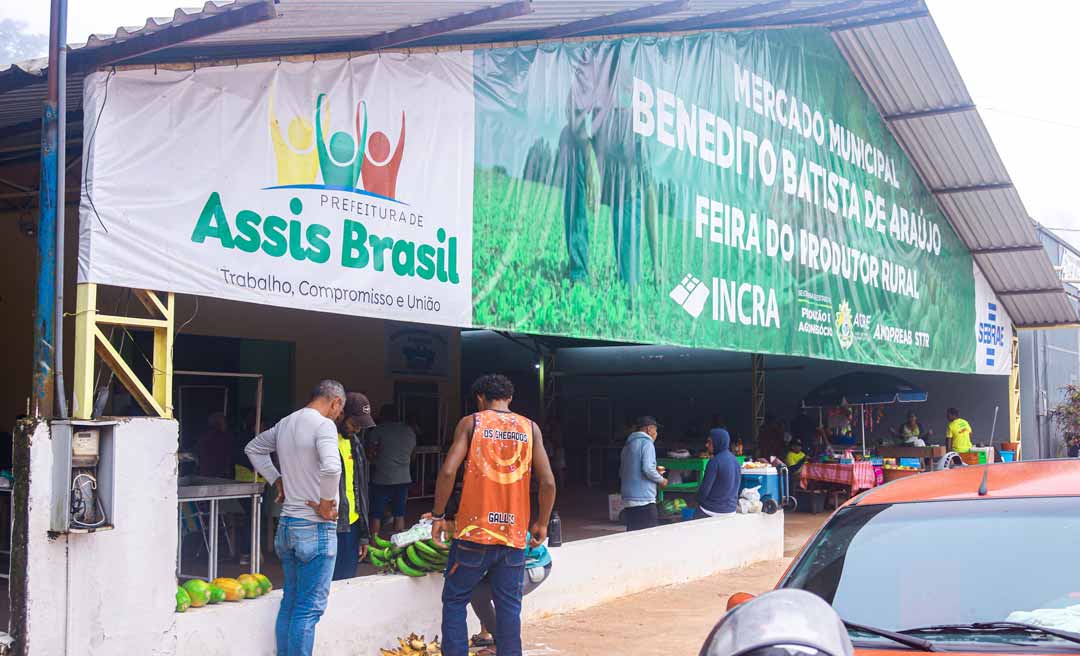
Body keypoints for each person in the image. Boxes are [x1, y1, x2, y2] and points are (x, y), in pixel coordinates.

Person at [430, 374, 557, 656]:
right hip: (512, 536)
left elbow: (449, 471)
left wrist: (438, 514)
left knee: (455, 600)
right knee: (509, 607)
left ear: (479, 398)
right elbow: (547, 482)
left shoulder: (472, 422)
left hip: (473, 535)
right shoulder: (530, 427)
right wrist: (542, 522)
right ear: (509, 398)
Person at [244, 380, 345, 656]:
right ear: (335, 401)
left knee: (291, 602)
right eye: (340, 409)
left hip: (287, 526)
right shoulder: (324, 425)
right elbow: (332, 467)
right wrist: (326, 504)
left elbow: (253, 448)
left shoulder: (285, 423)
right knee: (308, 609)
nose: (338, 415)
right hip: (314, 527)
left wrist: (277, 480)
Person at [469, 531, 553, 651]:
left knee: (505, 598)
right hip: (503, 565)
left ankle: (506, 646)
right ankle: (491, 635)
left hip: (533, 565)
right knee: (477, 594)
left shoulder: (505, 528)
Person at [332, 393, 376, 581]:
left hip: (352, 523)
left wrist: (364, 535)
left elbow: (361, 488)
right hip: (330, 524)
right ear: (341, 414)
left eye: (361, 425)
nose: (357, 429)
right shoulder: (326, 439)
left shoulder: (355, 442)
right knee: (327, 583)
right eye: (354, 423)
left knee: (347, 581)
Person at [368, 404, 417, 537]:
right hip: (403, 478)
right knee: (399, 514)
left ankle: (373, 545)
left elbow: (370, 453)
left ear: (383, 416)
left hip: (382, 478)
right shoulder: (409, 431)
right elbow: (413, 455)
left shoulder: (378, 430)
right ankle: (397, 548)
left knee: (376, 514)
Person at [619, 416, 668, 531]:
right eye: (655, 430)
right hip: (644, 500)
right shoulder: (647, 443)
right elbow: (647, 469)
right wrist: (661, 480)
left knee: (632, 536)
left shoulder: (627, 445)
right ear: (648, 429)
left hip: (628, 500)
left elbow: (622, 471)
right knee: (648, 539)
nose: (656, 433)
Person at [696, 428, 741, 518]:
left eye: (709, 442)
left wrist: (697, 500)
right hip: (731, 510)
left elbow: (704, 491)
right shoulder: (735, 461)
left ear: (718, 442)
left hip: (712, 510)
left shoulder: (714, 461)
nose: (706, 445)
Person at [198, 411, 234, 479]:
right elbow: (227, 455)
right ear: (219, 424)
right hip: (219, 473)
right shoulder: (224, 437)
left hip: (205, 472)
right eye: (224, 423)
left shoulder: (204, 436)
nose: (226, 425)